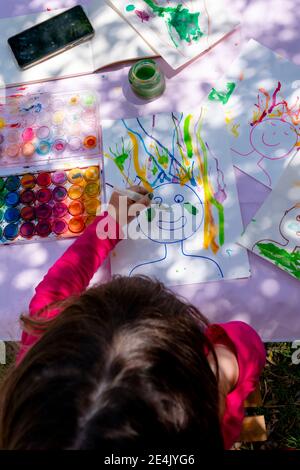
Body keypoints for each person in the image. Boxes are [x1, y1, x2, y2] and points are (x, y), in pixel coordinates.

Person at [0, 186, 265, 450]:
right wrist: (222, 373)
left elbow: (54, 292)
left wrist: (111, 225)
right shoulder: (207, 420)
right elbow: (247, 340)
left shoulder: (45, 355)